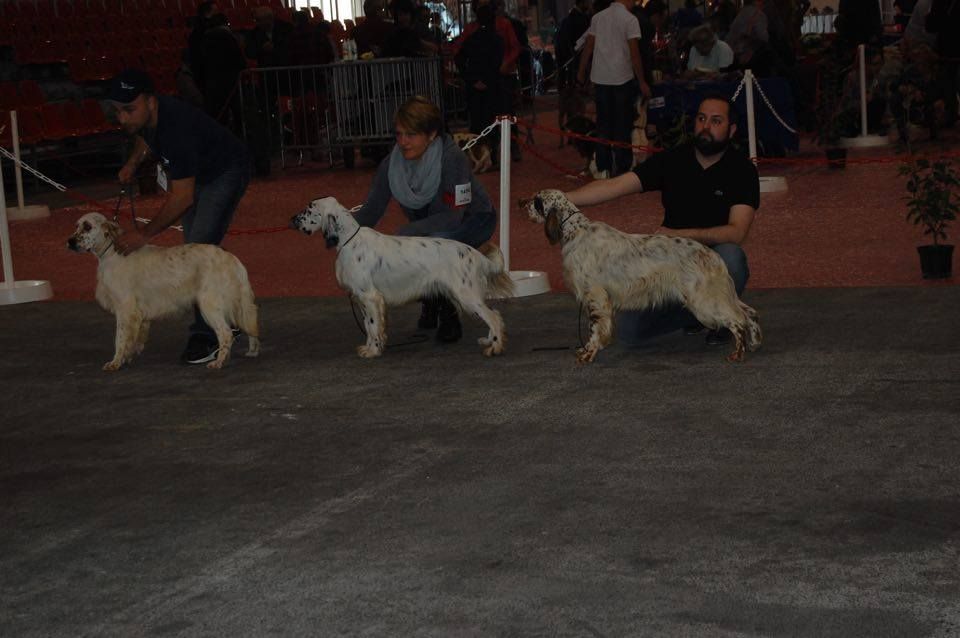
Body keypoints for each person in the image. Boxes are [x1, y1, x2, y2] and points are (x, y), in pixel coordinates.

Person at [548, 95, 759, 347]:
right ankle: (700, 314)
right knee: (628, 332)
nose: (705, 127)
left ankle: (722, 317)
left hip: (711, 258)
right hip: (668, 266)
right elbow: (615, 185)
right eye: (701, 119)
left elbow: (737, 233)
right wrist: (561, 199)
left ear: (732, 130)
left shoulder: (743, 170)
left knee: (732, 257)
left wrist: (681, 235)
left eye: (716, 121)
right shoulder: (672, 159)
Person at [109, 69, 252, 365]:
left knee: (198, 248)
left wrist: (144, 235)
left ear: (151, 102)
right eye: (118, 111)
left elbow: (182, 197)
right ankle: (227, 314)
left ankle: (207, 335)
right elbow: (147, 138)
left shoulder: (177, 129)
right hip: (198, 173)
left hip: (225, 171)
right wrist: (133, 163)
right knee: (194, 250)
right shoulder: (150, 116)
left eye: (128, 110)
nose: (122, 119)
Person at [353, 96, 498, 343]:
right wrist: (341, 226)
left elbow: (454, 216)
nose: (403, 142)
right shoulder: (391, 164)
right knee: (420, 243)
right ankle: (430, 297)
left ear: (431, 135)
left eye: (411, 135)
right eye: (399, 134)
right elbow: (371, 212)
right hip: (428, 228)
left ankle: (448, 312)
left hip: (473, 220)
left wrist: (406, 233)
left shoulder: (452, 159)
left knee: (432, 242)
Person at [576, 0, 651, 178]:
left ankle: (603, 167)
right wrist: (642, 81)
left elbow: (588, 46)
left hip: (600, 78)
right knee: (622, 124)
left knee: (603, 124)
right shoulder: (630, 20)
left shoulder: (598, 18)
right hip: (622, 78)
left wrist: (580, 71)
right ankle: (623, 166)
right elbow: (634, 54)